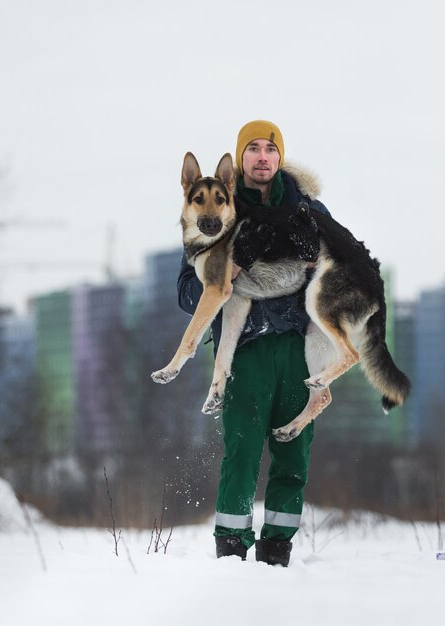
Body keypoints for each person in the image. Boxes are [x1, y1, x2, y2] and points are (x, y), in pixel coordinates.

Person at [177, 120, 330, 566]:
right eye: (253, 149)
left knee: (293, 456)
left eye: (270, 149)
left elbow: (344, 266)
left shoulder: (310, 208)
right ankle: (231, 548)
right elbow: (187, 292)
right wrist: (229, 271)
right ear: (240, 159)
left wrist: (313, 256)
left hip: (301, 350)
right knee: (241, 452)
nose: (262, 157)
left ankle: (278, 547)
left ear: (279, 158)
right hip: (244, 350)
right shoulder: (216, 210)